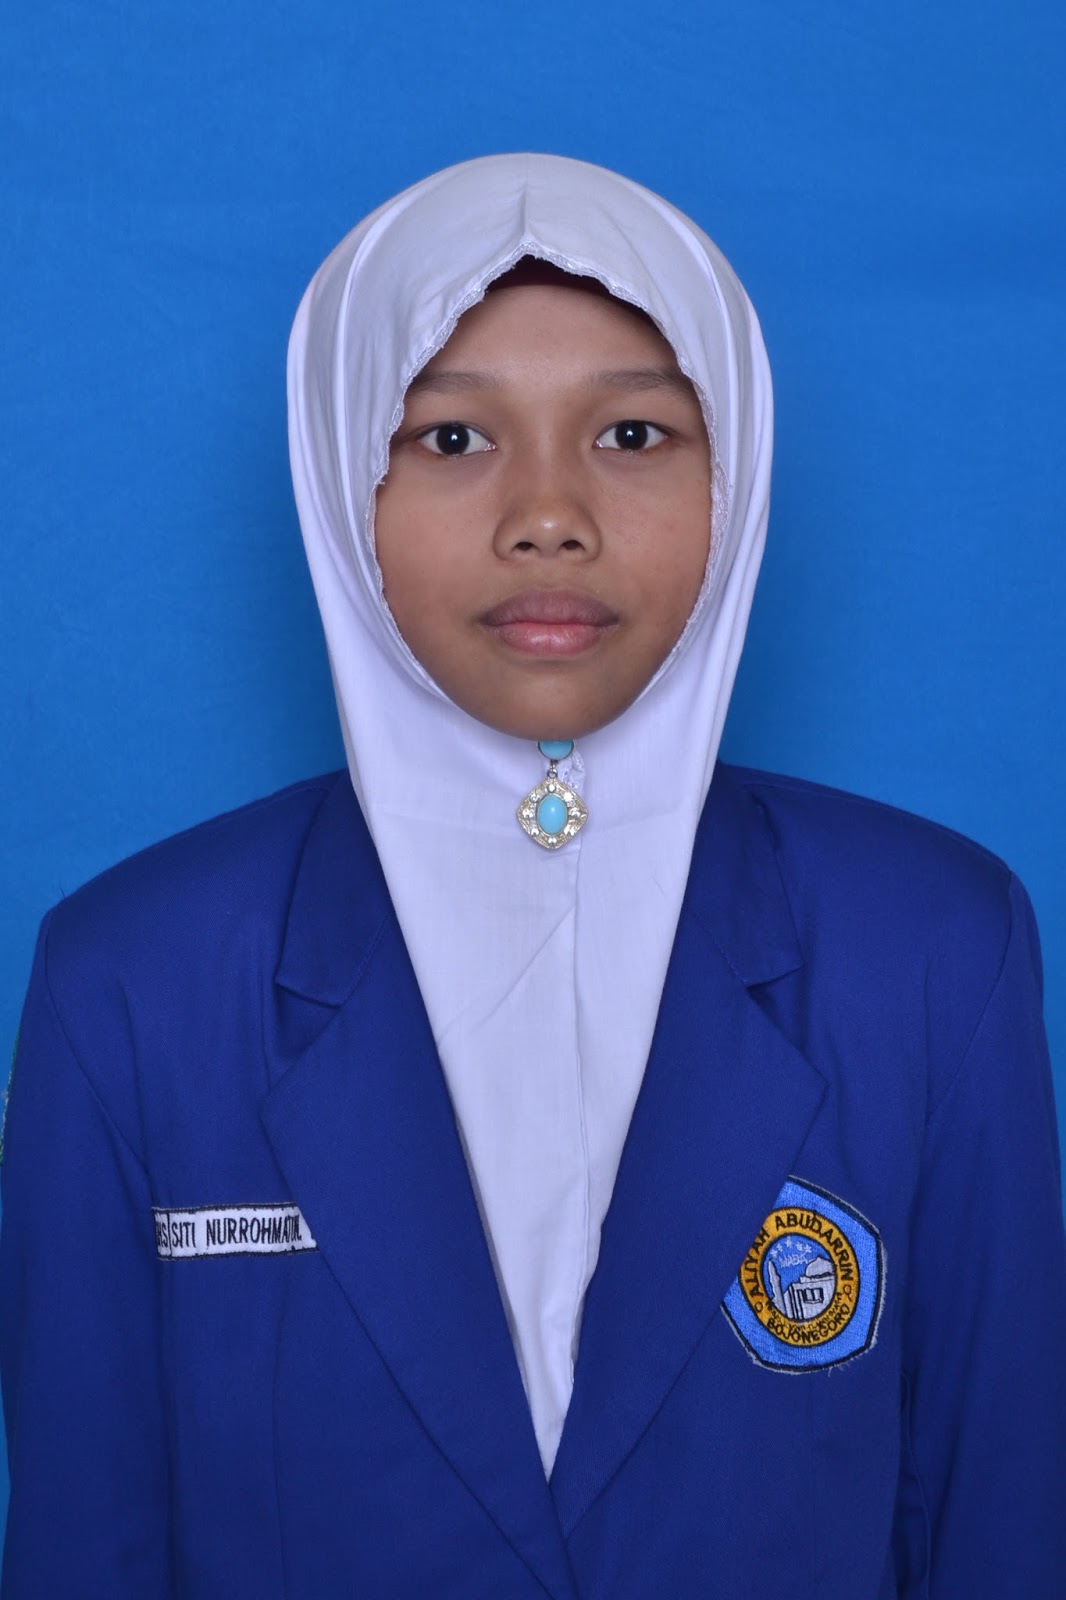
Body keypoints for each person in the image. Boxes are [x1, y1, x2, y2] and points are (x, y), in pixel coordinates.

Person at [1, 153, 1064, 1598]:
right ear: (340, 474)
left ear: (736, 470)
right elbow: (84, 1543)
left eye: (633, 432)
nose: (548, 514)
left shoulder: (934, 946)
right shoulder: (130, 977)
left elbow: (1000, 1521)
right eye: (451, 439)